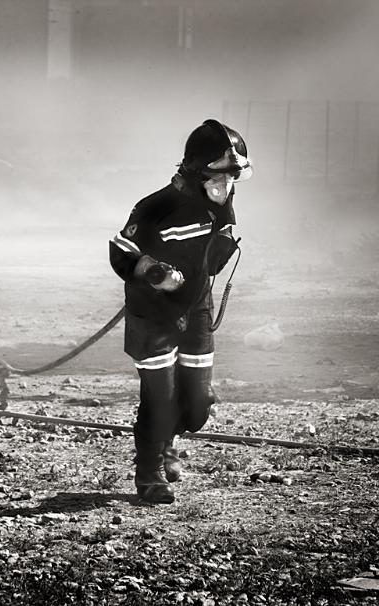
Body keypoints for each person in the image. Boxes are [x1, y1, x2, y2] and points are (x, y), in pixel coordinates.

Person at [109, 119, 252, 504]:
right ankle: (149, 474)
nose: (225, 188)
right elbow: (120, 251)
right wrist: (154, 272)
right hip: (152, 314)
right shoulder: (155, 206)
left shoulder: (222, 200)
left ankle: (170, 435)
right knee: (160, 397)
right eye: (218, 179)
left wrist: (221, 247)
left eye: (232, 179)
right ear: (194, 173)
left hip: (197, 309)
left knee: (197, 406)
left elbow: (216, 248)